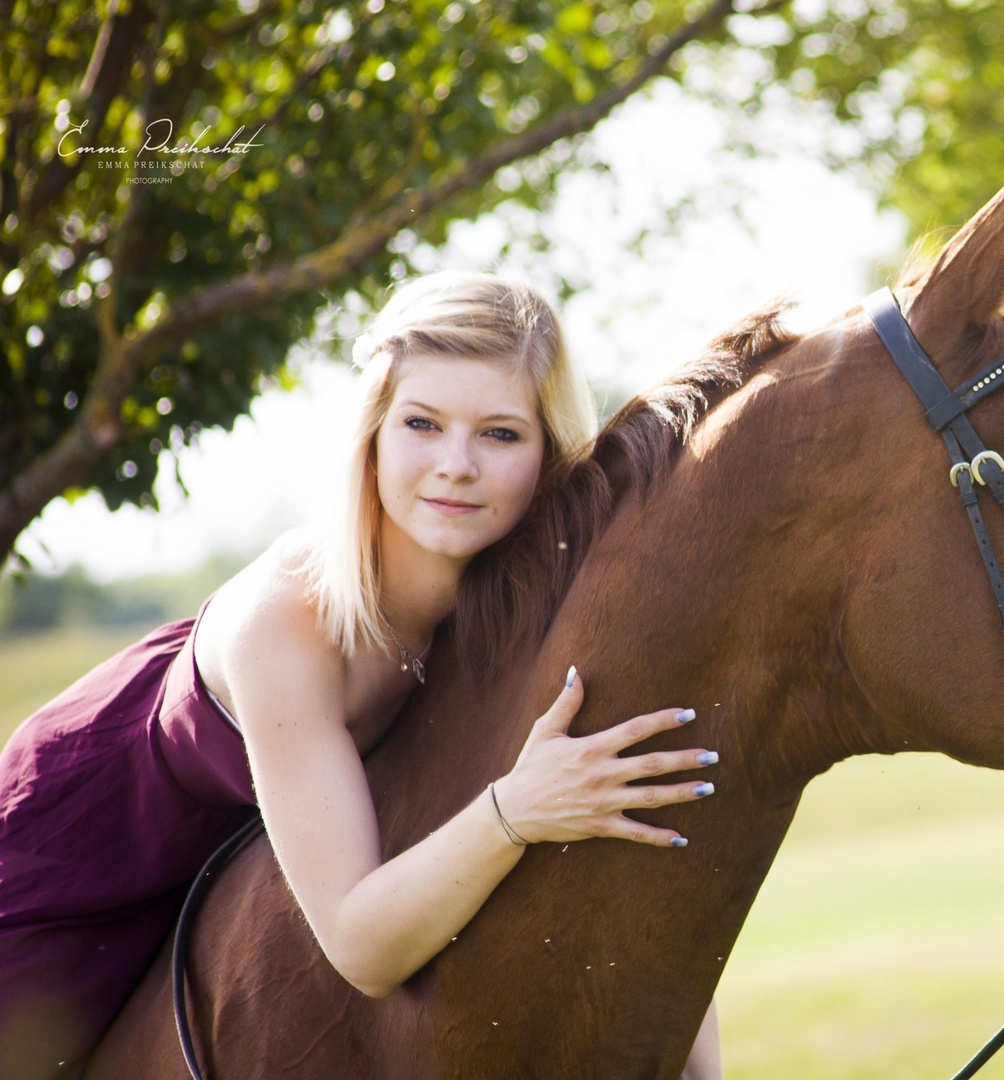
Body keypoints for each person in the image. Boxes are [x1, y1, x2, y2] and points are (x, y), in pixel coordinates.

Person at [0, 271, 723, 1079]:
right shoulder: (290, 620)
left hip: (245, 872)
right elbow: (360, 944)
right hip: (76, 861)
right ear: (372, 434)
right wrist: (516, 809)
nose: (456, 465)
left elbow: (623, 826)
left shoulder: (536, 597)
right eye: (422, 423)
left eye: (500, 434)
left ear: (548, 448)